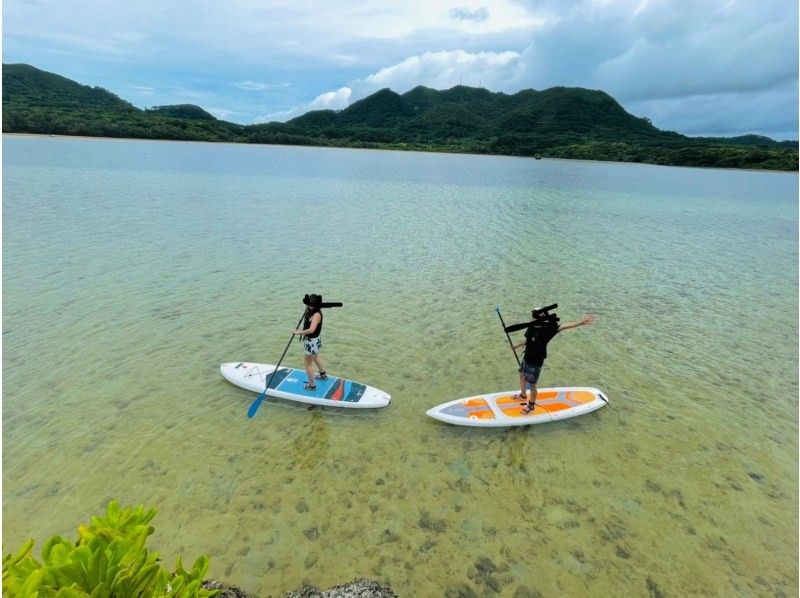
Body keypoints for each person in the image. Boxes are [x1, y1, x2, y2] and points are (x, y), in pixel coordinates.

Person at [512, 311, 596, 414]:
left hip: (536, 361)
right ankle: (523, 395)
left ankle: (531, 405)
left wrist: (581, 322)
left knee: (532, 385)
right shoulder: (531, 327)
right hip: (526, 358)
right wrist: (517, 345)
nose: (532, 319)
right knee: (521, 375)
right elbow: (528, 339)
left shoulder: (548, 329)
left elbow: (564, 326)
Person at [293, 294, 328, 391]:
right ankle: (323, 375)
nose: (309, 305)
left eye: (311, 304)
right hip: (315, 340)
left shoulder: (316, 314)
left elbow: (311, 330)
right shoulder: (310, 310)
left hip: (312, 341)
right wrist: (307, 306)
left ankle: (312, 385)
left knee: (307, 364)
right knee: (316, 357)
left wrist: (298, 332)